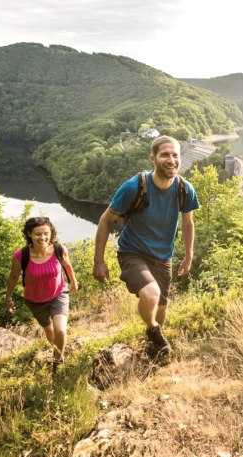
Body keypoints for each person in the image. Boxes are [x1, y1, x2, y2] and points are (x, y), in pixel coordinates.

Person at [93, 135, 200, 360]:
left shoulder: (184, 189)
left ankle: (154, 349)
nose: (171, 160)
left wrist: (189, 255)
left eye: (175, 155)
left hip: (163, 257)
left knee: (161, 309)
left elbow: (188, 223)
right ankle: (153, 331)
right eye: (165, 155)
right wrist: (99, 260)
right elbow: (105, 220)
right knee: (151, 294)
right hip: (133, 252)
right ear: (153, 158)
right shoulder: (135, 187)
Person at [5, 216, 78, 366]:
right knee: (50, 333)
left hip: (59, 294)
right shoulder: (21, 256)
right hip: (35, 301)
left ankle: (58, 361)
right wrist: (8, 298)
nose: (43, 237)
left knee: (60, 330)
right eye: (38, 234)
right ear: (29, 234)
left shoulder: (59, 249)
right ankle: (58, 351)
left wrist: (73, 281)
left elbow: (67, 265)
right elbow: (13, 277)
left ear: (51, 233)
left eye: (46, 233)